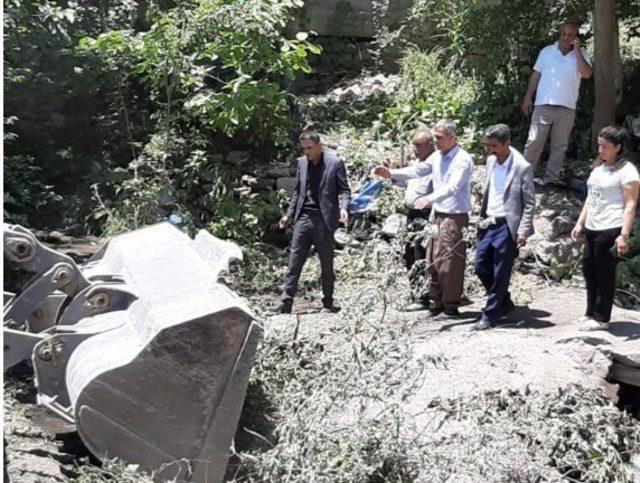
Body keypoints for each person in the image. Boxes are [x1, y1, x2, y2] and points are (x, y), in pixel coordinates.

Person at [571, 126, 639, 330]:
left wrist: (624, 235)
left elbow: (630, 205)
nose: (600, 150)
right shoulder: (598, 168)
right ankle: (590, 311)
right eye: (599, 146)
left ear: (618, 147)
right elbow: (591, 198)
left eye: (605, 147)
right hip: (592, 226)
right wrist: (579, 223)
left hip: (611, 227)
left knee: (604, 273)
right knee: (589, 269)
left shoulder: (628, 171)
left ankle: (602, 318)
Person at [278, 130, 351, 314]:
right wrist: (289, 215)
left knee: (326, 263)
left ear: (319, 146)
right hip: (303, 217)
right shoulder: (302, 164)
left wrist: (343, 208)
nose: (306, 152)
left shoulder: (334, 163)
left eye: (310, 148)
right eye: (303, 149)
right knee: (294, 261)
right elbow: (298, 192)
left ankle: (328, 301)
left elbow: (344, 190)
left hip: (324, 219)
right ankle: (286, 302)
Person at [472, 124, 536, 331]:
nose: (488, 150)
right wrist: (479, 220)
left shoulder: (521, 166)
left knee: (501, 271)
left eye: (493, 145)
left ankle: (490, 315)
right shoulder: (491, 161)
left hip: (507, 225)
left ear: (507, 143)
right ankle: (504, 302)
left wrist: (523, 230)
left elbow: (529, 202)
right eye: (486, 145)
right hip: (488, 222)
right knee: (481, 266)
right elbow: (489, 192)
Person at [414, 120, 473, 320]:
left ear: (452, 136)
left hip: (454, 216)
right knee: (432, 260)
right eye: (435, 136)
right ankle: (435, 303)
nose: (436, 141)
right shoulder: (437, 157)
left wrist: (428, 199)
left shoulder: (463, 159)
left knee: (450, 263)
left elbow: (452, 187)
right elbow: (418, 170)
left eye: (439, 137)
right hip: (437, 215)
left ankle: (450, 306)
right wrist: (391, 174)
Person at [521, 22, 593, 185]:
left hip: (567, 106)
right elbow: (535, 75)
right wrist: (527, 97)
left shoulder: (582, 54)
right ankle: (524, 176)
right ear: (560, 35)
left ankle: (551, 179)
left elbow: (587, 74)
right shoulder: (547, 52)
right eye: (564, 34)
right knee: (534, 141)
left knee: (559, 145)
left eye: (570, 35)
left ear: (576, 38)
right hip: (543, 103)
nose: (566, 38)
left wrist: (576, 52)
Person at [372, 129, 436, 311]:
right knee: (409, 253)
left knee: (421, 255)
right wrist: (389, 175)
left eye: (418, 145)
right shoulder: (417, 162)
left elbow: (416, 177)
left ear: (430, 145)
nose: (415, 149)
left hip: (426, 215)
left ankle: (424, 296)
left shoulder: (433, 163)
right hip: (412, 214)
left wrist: (392, 173)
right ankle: (416, 293)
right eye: (413, 145)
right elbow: (407, 183)